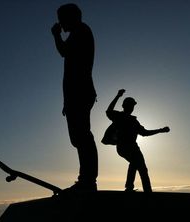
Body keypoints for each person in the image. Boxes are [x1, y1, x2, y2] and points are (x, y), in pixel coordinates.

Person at [51, 3, 98, 192]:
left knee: (82, 136)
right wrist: (67, 101)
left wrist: (55, 35)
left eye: (61, 19)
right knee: (79, 137)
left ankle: (88, 181)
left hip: (80, 92)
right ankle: (86, 180)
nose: (60, 24)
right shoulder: (78, 33)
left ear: (71, 17)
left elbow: (64, 52)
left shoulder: (81, 31)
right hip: (76, 94)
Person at [105, 89, 170, 192]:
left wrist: (160, 130)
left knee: (142, 169)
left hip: (134, 147)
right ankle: (129, 187)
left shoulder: (134, 121)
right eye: (130, 105)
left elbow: (144, 133)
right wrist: (118, 96)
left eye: (132, 106)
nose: (131, 108)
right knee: (135, 163)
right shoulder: (118, 116)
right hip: (123, 147)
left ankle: (147, 190)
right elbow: (108, 111)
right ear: (124, 106)